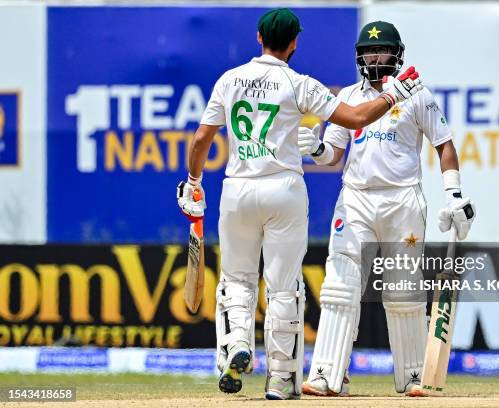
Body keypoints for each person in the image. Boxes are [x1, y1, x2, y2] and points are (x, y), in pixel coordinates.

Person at [176, 9, 424, 400]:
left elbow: (202, 137)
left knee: (237, 280)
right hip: (284, 190)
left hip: (237, 189)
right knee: (283, 288)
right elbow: (358, 117)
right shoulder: (298, 84)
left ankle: (237, 343)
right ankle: (280, 379)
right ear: (294, 43)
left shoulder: (229, 80)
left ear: (259, 37)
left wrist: (193, 182)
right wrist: (394, 94)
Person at [299, 21, 476, 397]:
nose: (371, 57)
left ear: (396, 54)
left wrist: (454, 195)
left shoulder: (418, 96)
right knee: (340, 288)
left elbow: (444, 145)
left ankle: (414, 375)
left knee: (402, 291)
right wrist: (315, 148)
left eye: (378, 51)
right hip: (356, 199)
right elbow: (333, 154)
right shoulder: (348, 96)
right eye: (365, 51)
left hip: (402, 202)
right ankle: (327, 374)